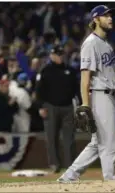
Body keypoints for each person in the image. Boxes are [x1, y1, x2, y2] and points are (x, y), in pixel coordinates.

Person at [57, 5, 115, 182]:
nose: (110, 18)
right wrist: (85, 103)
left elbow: (111, 77)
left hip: (109, 95)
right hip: (99, 95)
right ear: (95, 19)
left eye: (110, 15)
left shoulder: (105, 44)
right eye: (105, 16)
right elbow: (85, 77)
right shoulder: (91, 43)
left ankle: (69, 176)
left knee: (97, 143)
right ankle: (110, 182)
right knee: (108, 143)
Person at [36, 45, 79, 173]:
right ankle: (54, 164)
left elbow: (76, 89)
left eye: (61, 55)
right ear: (52, 56)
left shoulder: (70, 70)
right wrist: (40, 107)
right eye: (57, 55)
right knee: (51, 138)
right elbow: (39, 90)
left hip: (68, 107)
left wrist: (80, 104)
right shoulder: (45, 70)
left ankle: (71, 165)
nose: (60, 57)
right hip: (50, 106)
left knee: (69, 138)